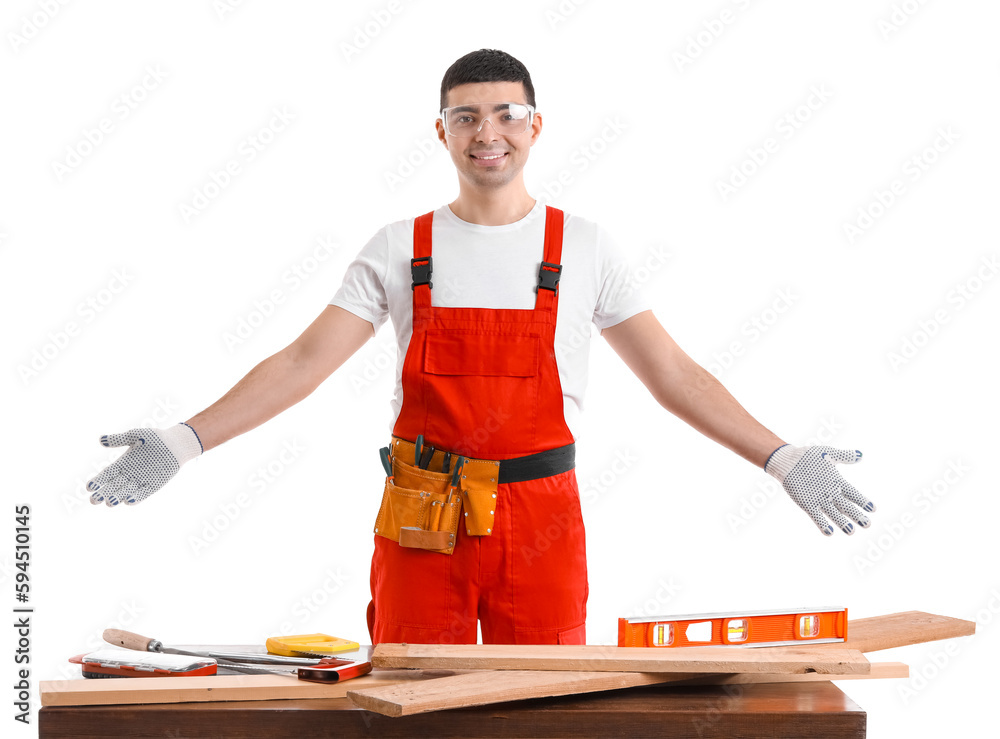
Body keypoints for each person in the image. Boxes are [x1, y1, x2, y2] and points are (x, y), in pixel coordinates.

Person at [86, 49, 876, 646]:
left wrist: (780, 458)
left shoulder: (585, 247)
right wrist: (184, 440)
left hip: (541, 523)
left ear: (535, 125)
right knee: (409, 705)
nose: (487, 133)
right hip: (421, 517)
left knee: (540, 710)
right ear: (441, 130)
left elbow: (673, 374)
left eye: (505, 113)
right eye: (466, 116)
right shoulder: (401, 247)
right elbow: (301, 363)